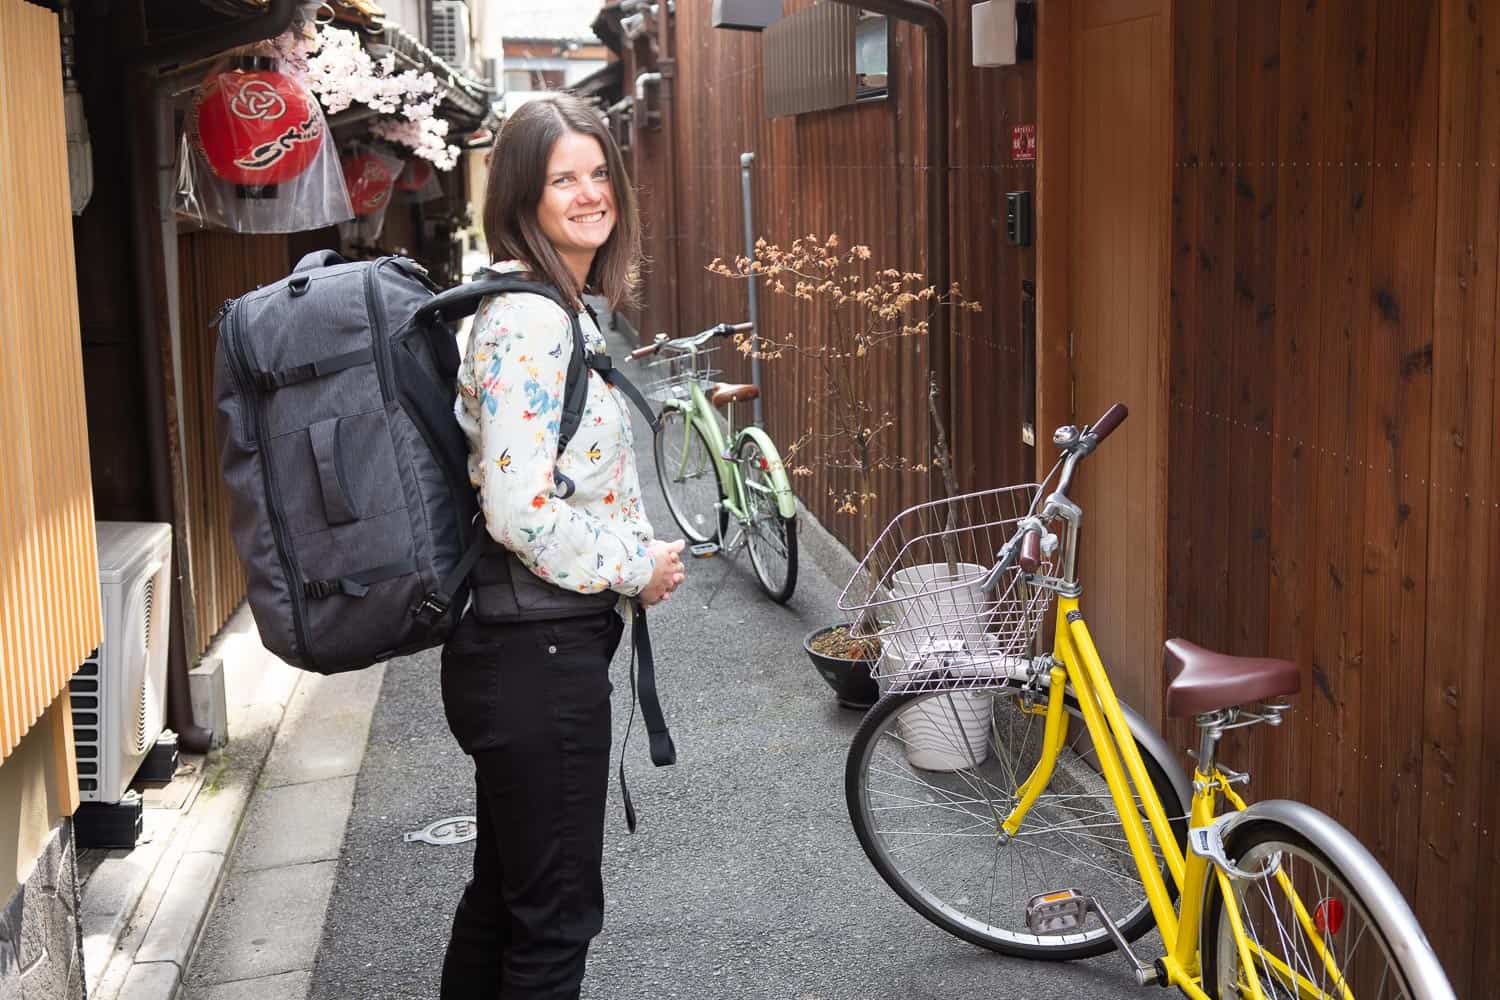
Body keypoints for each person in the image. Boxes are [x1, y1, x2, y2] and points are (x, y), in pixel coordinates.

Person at [438, 93, 686, 1000]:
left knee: (508, 901)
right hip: (535, 654)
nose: (589, 195)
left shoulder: (551, 307)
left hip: (522, 647)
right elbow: (519, 510)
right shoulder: (531, 320)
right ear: (522, 199)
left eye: (597, 173)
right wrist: (637, 565)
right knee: (552, 922)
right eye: (561, 180)